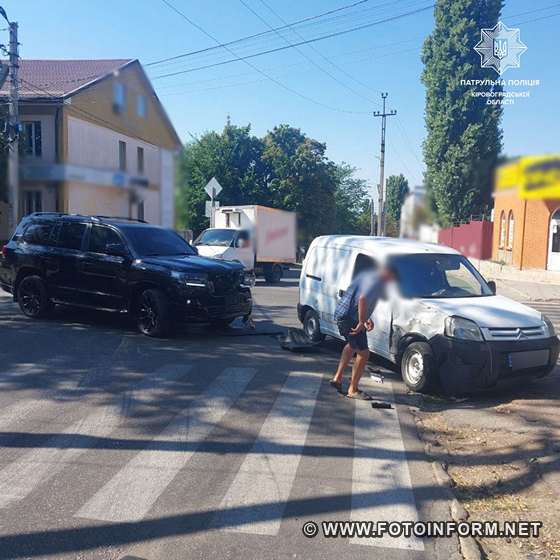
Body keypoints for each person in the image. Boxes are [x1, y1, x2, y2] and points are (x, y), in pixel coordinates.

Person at [330, 262, 396, 400]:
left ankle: (337, 378)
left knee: (352, 346)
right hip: (350, 319)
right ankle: (353, 389)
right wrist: (361, 321)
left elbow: (358, 299)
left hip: (345, 316)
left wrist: (366, 318)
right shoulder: (376, 281)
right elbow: (362, 298)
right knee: (364, 353)